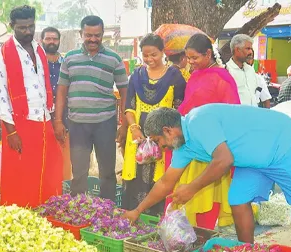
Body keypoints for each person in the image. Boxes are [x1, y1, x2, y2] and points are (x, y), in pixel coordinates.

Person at [122, 105, 291, 243]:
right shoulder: (183, 147)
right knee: (238, 199)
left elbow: (224, 160)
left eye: (159, 141)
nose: (162, 147)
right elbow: (166, 182)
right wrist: (137, 210)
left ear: (168, 130)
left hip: (280, 144)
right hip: (252, 159)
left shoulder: (198, 121)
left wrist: (192, 188)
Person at [0, 5, 64, 208]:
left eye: (31, 26)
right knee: (21, 174)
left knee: (49, 170)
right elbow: (0, 96)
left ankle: (47, 214)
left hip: (43, 120)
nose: (28, 31)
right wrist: (11, 132)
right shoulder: (1, 56)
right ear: (11, 26)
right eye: (22, 27)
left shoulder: (39, 49)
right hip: (18, 123)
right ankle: (21, 217)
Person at [166, 32, 241, 229]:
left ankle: (202, 234)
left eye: (194, 58)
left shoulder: (222, 78)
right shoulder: (195, 76)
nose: (190, 62)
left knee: (206, 193)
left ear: (208, 54)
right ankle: (183, 235)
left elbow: (231, 113)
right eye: (188, 58)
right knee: (182, 190)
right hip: (190, 143)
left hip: (211, 146)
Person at [54, 15, 128, 201]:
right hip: (77, 124)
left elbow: (125, 91)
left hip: (105, 123)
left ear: (103, 34)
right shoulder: (69, 58)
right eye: (88, 35)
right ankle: (79, 210)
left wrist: (125, 124)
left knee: (107, 172)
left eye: (97, 35)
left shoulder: (114, 58)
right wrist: (57, 120)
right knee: (78, 172)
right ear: (81, 34)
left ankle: (107, 211)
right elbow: (61, 91)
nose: (93, 39)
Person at [119, 34, 186, 216]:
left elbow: (179, 110)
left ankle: (157, 222)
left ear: (163, 52)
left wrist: (165, 136)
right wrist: (133, 128)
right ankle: (132, 219)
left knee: (161, 178)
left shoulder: (175, 77)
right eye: (145, 55)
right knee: (135, 180)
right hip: (138, 138)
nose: (149, 59)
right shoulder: (136, 76)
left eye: (154, 54)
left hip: (164, 139)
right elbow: (129, 108)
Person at [226, 34, 265, 107]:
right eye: (247, 49)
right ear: (237, 50)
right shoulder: (227, 71)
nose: (251, 52)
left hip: (253, 114)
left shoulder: (250, 70)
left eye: (251, 49)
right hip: (237, 115)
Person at [41, 26, 64, 109]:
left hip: (62, 111)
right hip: (41, 111)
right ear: (41, 41)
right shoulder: (35, 64)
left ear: (59, 41)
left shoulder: (66, 64)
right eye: (48, 39)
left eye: (55, 39)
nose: (52, 42)